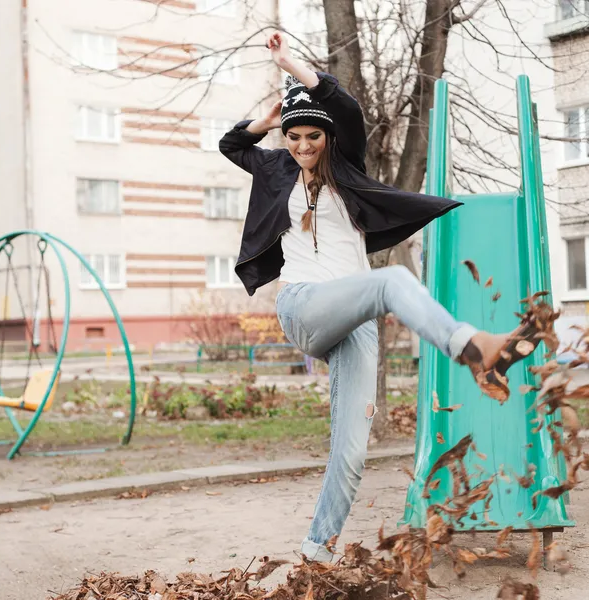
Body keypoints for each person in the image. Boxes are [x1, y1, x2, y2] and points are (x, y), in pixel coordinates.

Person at [219, 32, 542, 562]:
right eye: (294, 137)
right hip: (303, 305)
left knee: (350, 452)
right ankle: (476, 349)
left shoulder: (348, 169)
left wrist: (293, 66)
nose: (302, 147)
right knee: (391, 281)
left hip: (356, 318)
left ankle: (315, 553)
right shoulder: (275, 167)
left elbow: (343, 105)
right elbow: (232, 146)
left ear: (328, 138)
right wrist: (271, 118)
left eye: (312, 138)